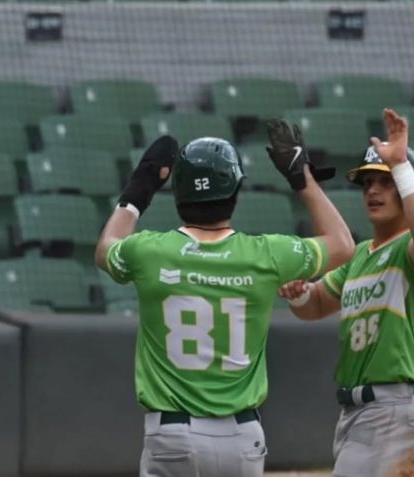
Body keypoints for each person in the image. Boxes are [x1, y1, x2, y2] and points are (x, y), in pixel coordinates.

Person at [95, 120, 355, 477]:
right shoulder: (267, 254)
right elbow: (343, 244)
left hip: (172, 434)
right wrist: (300, 175)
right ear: (235, 190)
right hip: (241, 438)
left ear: (180, 193)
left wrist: (139, 191)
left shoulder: (148, 251)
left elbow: (105, 249)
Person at [278, 108, 414, 477]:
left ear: (405, 187)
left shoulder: (410, 250)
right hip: (358, 413)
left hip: (390, 411)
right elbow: (317, 304)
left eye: (385, 182)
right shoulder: (360, 255)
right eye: (368, 182)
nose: (372, 190)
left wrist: (400, 165)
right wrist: (299, 296)